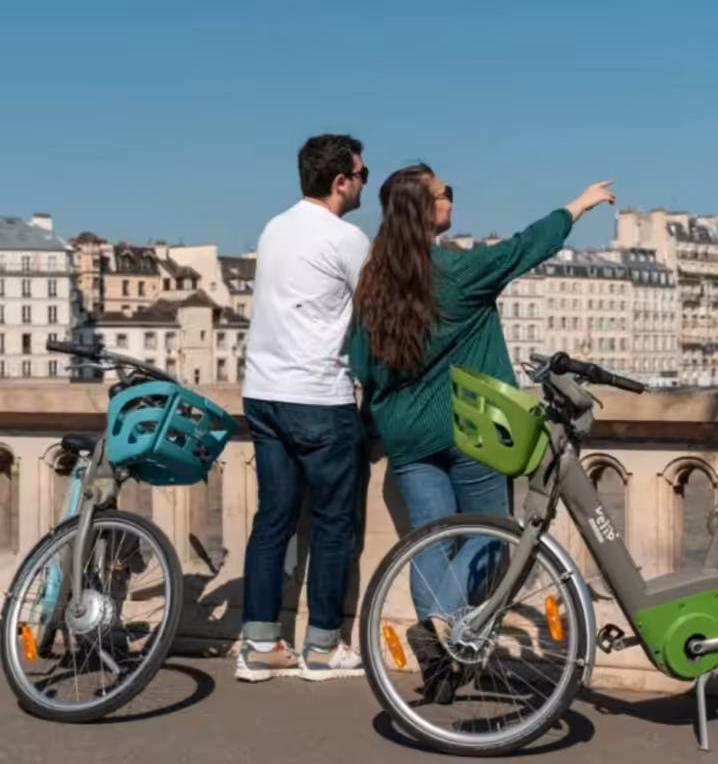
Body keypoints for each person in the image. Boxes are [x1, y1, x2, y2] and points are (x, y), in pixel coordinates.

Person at [345, 164, 615, 701]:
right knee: (492, 534)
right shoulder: (457, 270)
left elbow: (361, 364)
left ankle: (441, 660)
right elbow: (523, 248)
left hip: (405, 434)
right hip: (470, 427)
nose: (451, 199)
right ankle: (449, 631)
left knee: (430, 539)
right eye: (445, 193)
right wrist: (578, 205)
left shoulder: (373, 283)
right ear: (426, 210)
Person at [237, 134, 371, 682]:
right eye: (361, 175)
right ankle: (321, 647)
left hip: (263, 392)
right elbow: (379, 312)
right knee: (334, 523)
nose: (363, 184)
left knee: (273, 520)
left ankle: (259, 645)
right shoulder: (347, 238)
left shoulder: (274, 228)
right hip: (317, 396)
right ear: (340, 181)